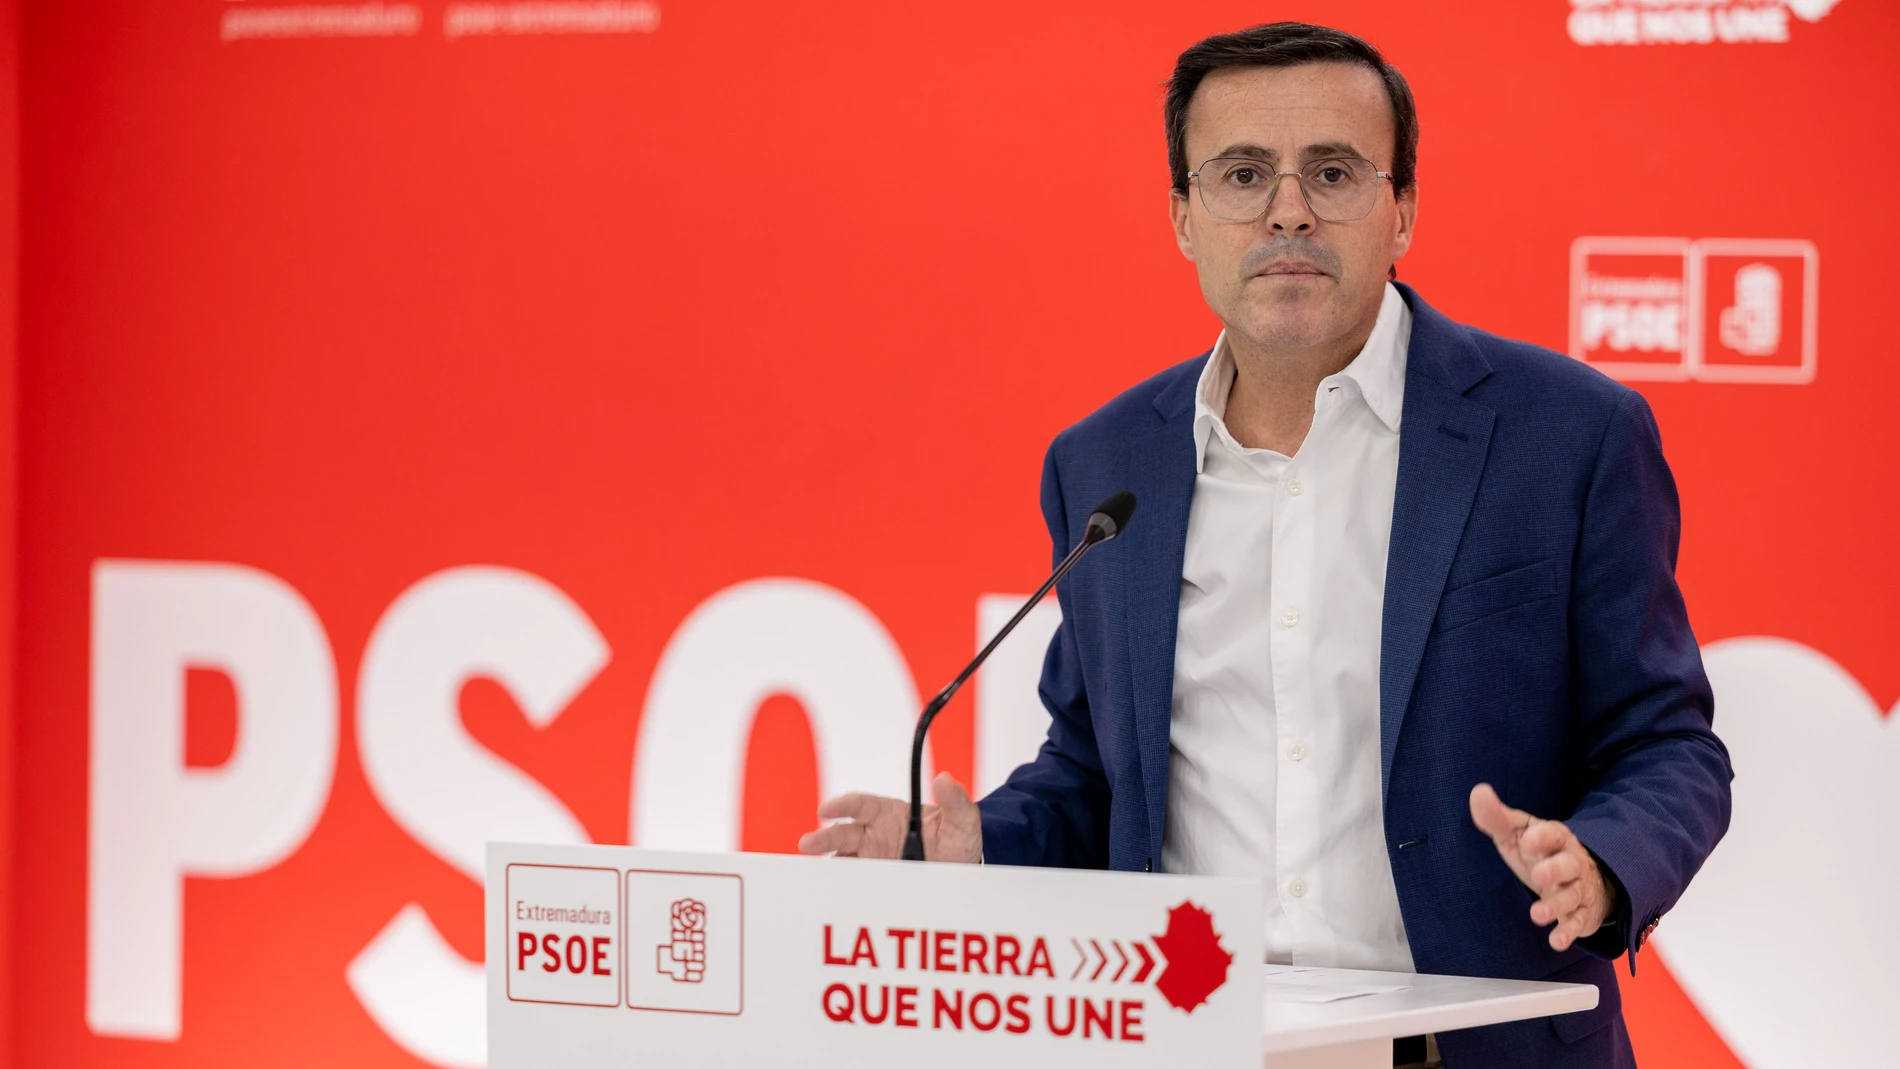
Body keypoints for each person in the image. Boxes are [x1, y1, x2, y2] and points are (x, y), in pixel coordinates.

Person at [798, 22, 1731, 1068]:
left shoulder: (1565, 434)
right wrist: (980, 845)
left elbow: (1667, 746)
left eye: (1332, 171)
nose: (1288, 208)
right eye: (1242, 174)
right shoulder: (1105, 464)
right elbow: (1097, 771)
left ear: (1403, 208)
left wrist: (1602, 863)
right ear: (1183, 219)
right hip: (1188, 1039)